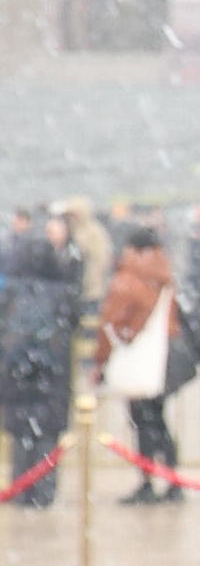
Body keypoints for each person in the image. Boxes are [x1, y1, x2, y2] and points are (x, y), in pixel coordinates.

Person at [96, 226, 183, 502]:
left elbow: (111, 323)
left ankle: (147, 482)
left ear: (131, 249)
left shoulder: (128, 279)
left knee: (142, 422)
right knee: (159, 420)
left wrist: (100, 361)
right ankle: (173, 480)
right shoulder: (165, 278)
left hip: (136, 360)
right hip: (161, 359)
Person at [1, 213, 83, 505]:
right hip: (53, 374)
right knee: (47, 435)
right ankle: (44, 491)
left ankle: (20, 488)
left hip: (17, 373)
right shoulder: (64, 294)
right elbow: (74, 323)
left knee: (22, 435)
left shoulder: (10, 295)